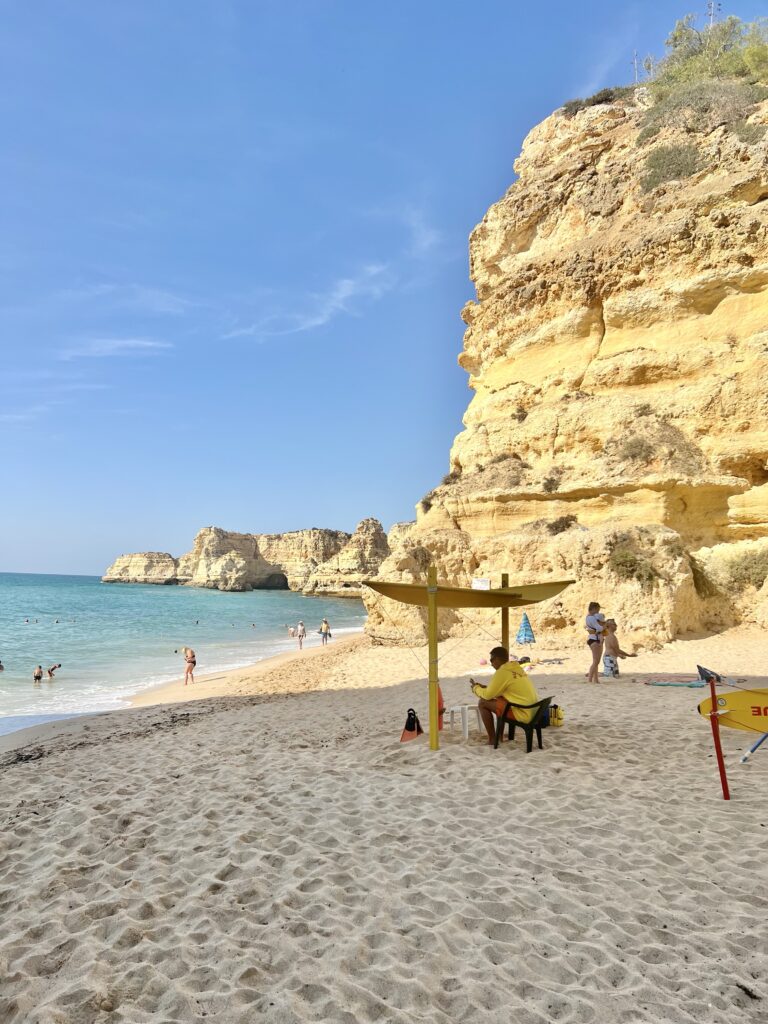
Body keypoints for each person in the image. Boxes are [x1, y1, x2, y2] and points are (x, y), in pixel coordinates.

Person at [469, 646, 540, 745]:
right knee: (501, 699)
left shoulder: (502, 672)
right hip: (534, 712)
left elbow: (487, 696)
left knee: (482, 703)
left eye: (492, 659)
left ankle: (493, 739)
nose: (491, 663)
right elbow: (501, 689)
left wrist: (475, 688)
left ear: (497, 659)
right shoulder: (515, 668)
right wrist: (485, 687)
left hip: (523, 714)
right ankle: (499, 736)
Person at [585, 601, 605, 683]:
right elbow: (599, 628)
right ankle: (590, 679)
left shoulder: (588, 617)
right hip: (595, 639)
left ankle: (596, 679)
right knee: (596, 661)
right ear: (593, 609)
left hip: (592, 638)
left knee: (595, 661)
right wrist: (605, 625)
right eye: (597, 610)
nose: (598, 612)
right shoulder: (592, 618)